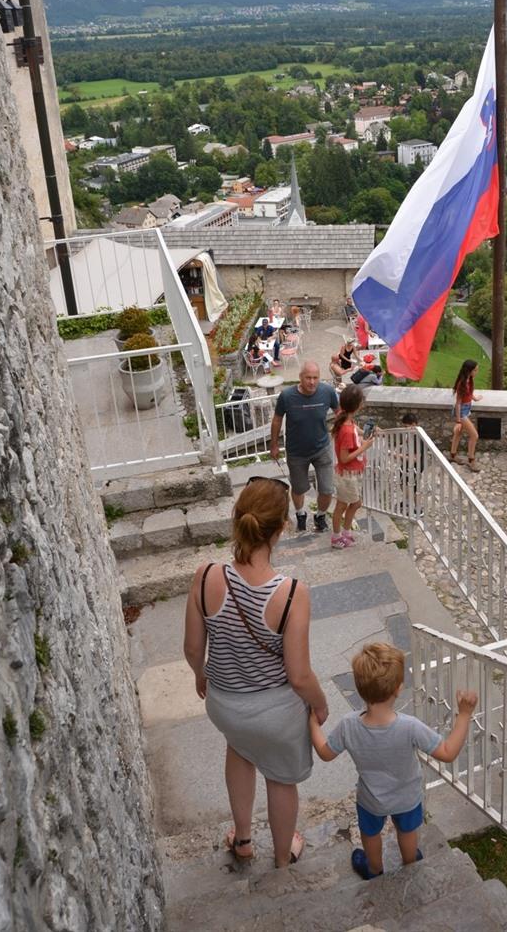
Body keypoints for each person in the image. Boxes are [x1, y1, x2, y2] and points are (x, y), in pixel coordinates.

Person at [183, 477, 328, 868]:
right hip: (274, 713)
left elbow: (193, 648)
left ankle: (243, 839)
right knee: (281, 778)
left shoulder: (205, 576)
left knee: (240, 748)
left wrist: (200, 675)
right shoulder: (292, 594)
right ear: (281, 529)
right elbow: (298, 675)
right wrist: (320, 704)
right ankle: (282, 860)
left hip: (225, 704)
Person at [309, 642, 478, 880]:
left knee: (370, 833)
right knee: (407, 830)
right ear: (398, 689)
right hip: (407, 797)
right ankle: (410, 863)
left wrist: (313, 725)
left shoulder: (348, 725)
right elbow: (448, 752)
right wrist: (464, 714)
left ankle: (374, 869)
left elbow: (326, 753)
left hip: (371, 799)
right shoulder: (410, 727)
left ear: (359, 688)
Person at [270, 361, 339, 533]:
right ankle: (301, 514)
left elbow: (340, 413)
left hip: (322, 448)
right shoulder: (287, 396)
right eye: (308, 378)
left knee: (327, 488)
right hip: (296, 452)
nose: (312, 382)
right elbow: (277, 419)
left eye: (315, 378)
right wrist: (274, 445)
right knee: (299, 488)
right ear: (300, 377)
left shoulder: (327, 392)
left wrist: (347, 434)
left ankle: (320, 515)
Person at [330, 383, 375, 549]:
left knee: (354, 503)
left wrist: (364, 433)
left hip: (351, 474)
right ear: (358, 405)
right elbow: (343, 458)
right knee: (344, 505)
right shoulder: (347, 430)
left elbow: (354, 429)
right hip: (348, 475)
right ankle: (336, 537)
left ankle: (346, 532)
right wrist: (364, 447)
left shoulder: (345, 419)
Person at [450, 359, 481, 473]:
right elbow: (458, 403)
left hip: (466, 408)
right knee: (474, 435)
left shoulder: (469, 380)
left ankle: (453, 455)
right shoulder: (461, 384)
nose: (477, 372)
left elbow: (469, 393)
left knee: (458, 433)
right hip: (462, 411)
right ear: (469, 370)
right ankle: (471, 460)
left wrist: (475, 398)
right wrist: (458, 421)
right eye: (475, 370)